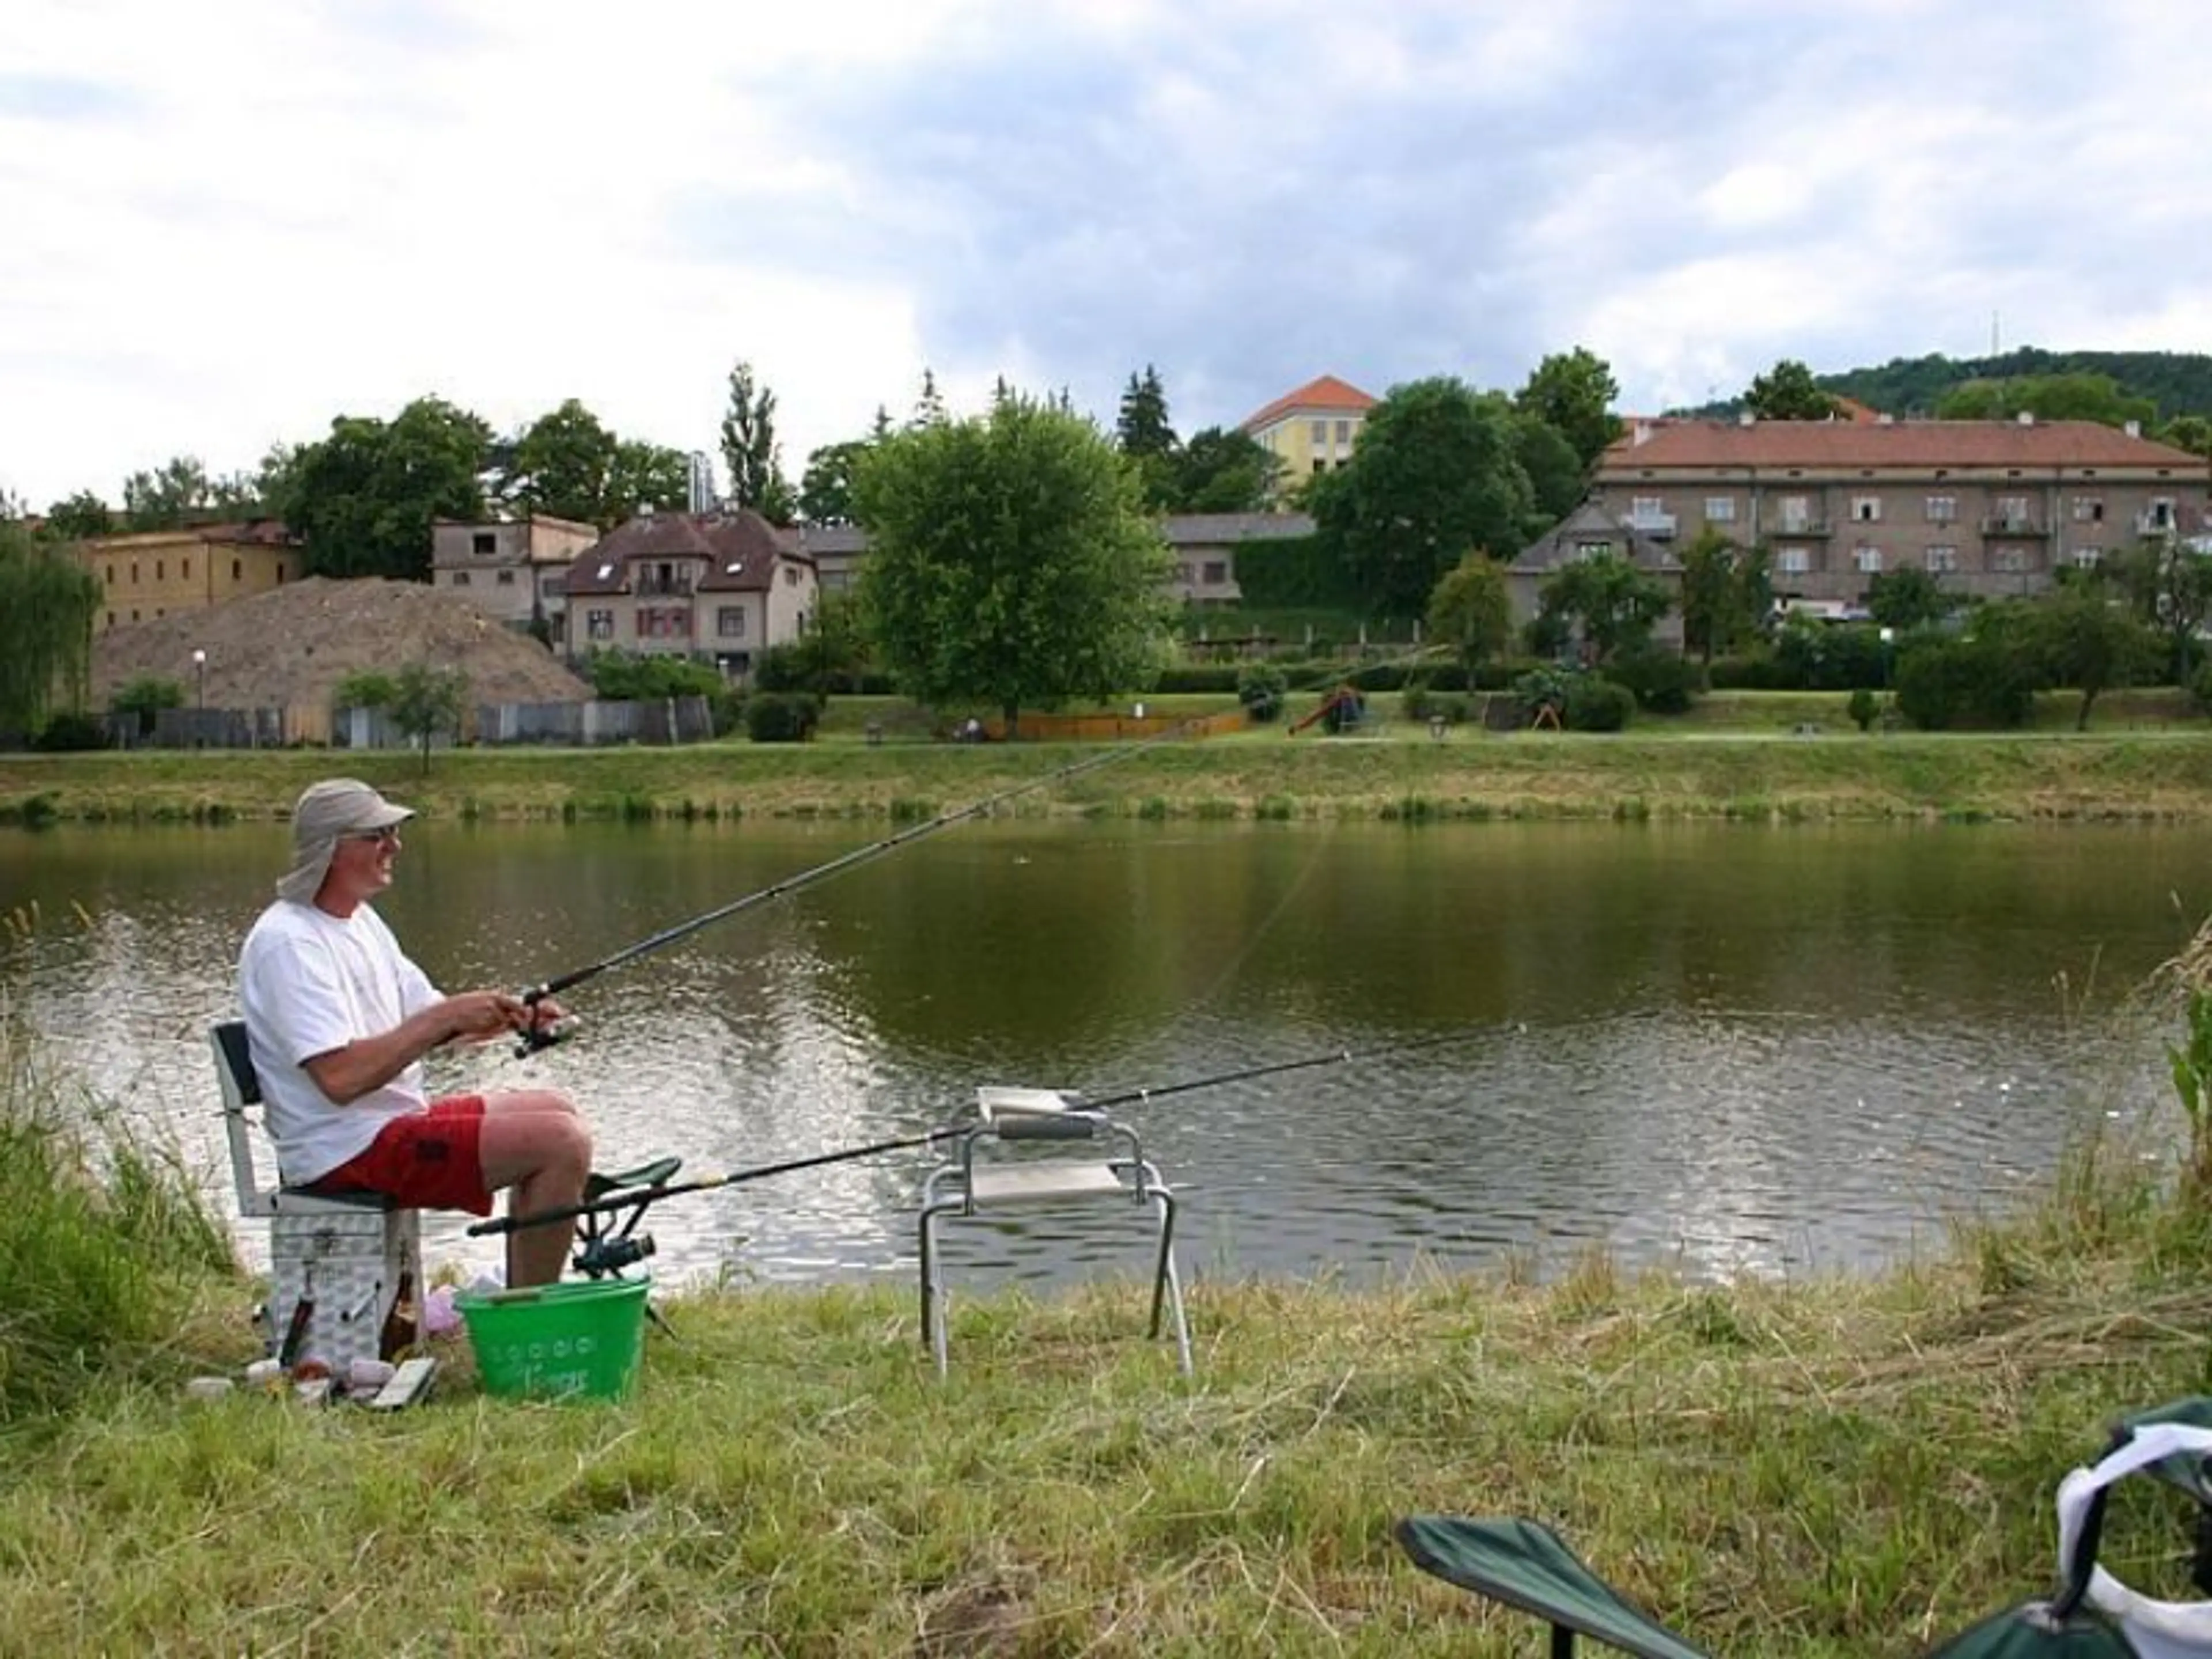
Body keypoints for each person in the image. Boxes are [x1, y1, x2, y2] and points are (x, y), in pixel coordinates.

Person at [237, 778, 592, 1287]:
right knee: (561, 1143)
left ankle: (526, 1293)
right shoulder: (288, 943)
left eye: (393, 834)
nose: (394, 847)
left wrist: (513, 1015)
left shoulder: (359, 922)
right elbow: (340, 1079)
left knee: (560, 1108)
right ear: (332, 848)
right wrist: (443, 1019)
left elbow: (431, 1018)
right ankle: (528, 1314)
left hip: (384, 1125)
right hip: (342, 1151)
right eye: (377, 836)